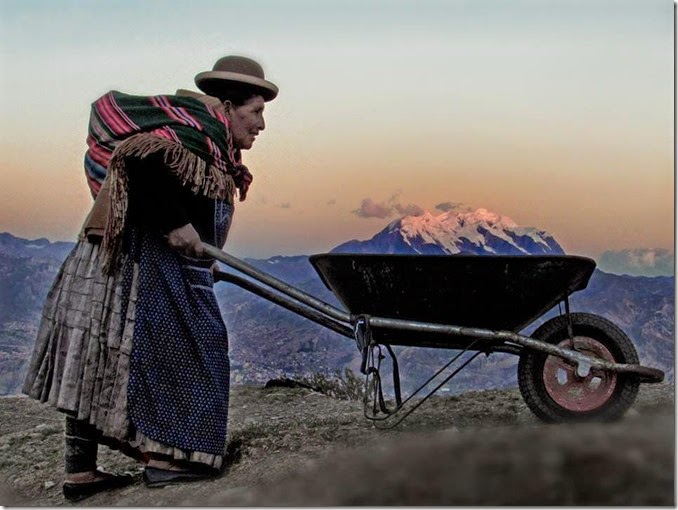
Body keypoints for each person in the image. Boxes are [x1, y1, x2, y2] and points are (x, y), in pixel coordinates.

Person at [22, 55, 278, 500]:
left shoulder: (209, 142)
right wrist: (175, 224)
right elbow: (137, 163)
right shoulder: (195, 131)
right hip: (134, 264)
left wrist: (198, 249)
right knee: (196, 349)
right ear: (226, 105)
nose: (261, 125)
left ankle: (81, 472)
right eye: (255, 112)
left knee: (95, 354)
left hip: (115, 262)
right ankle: (167, 459)